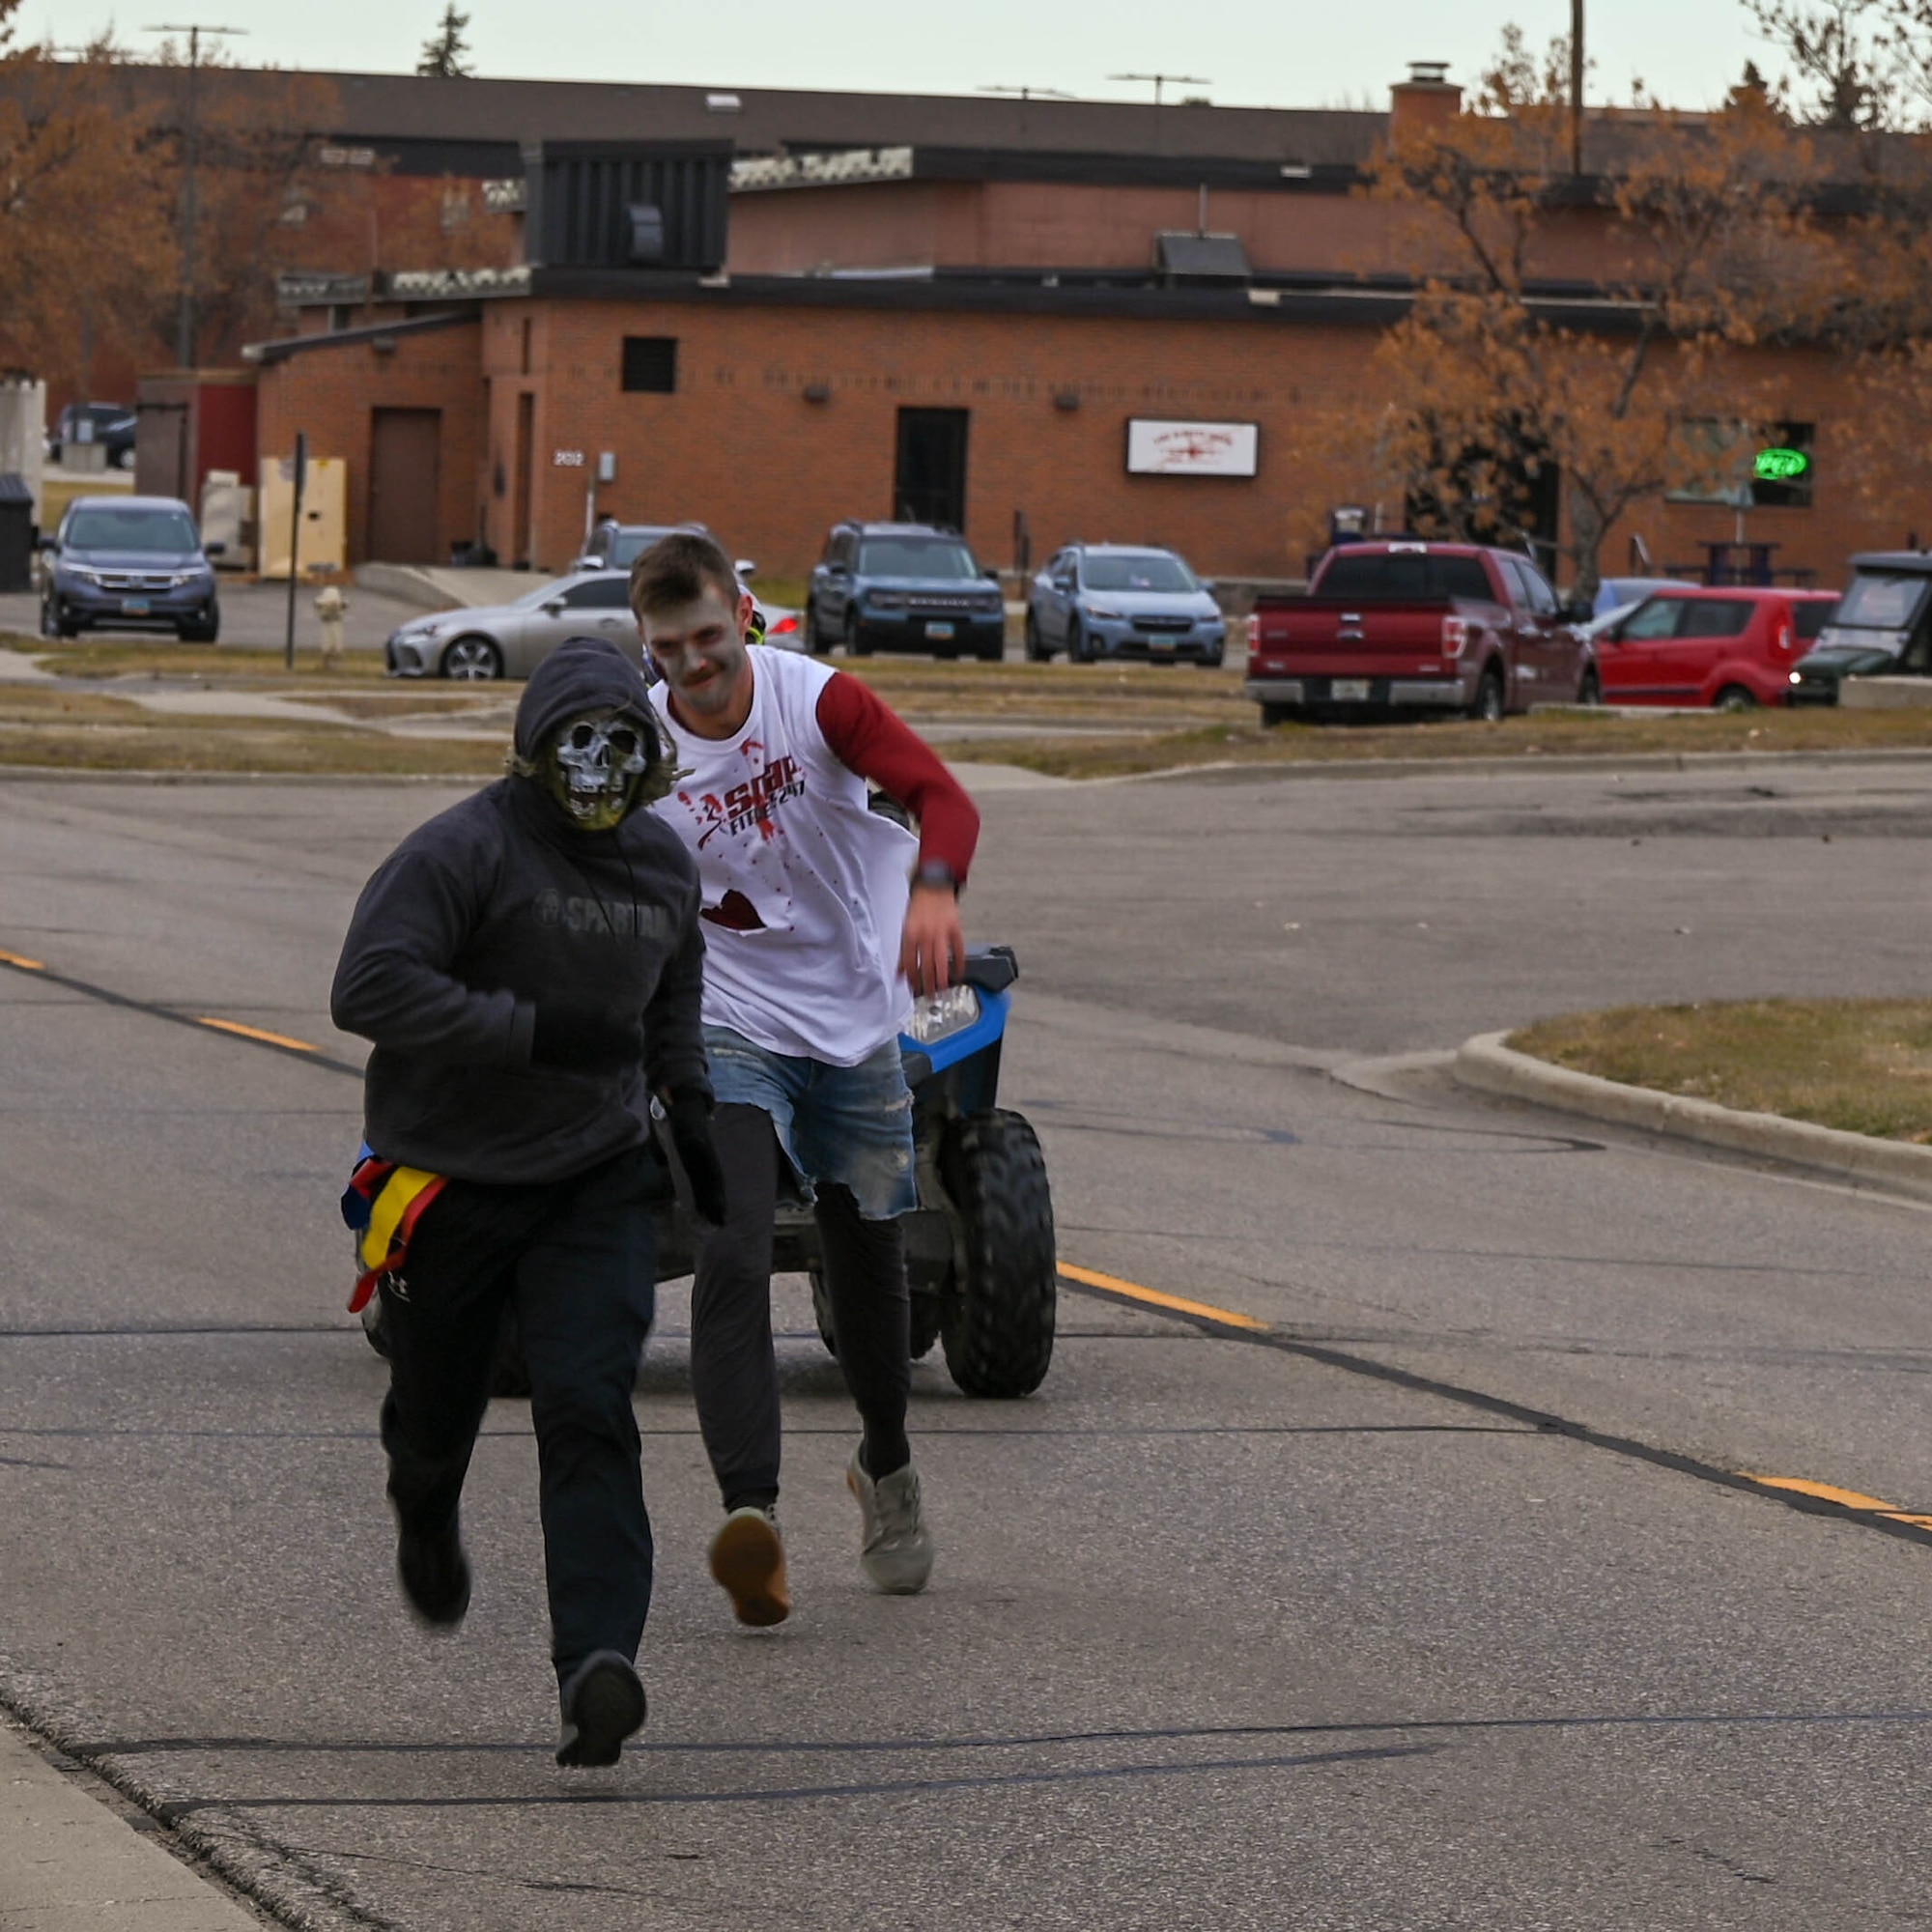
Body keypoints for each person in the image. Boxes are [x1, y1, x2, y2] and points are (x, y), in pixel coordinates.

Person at [329, 636, 726, 1767]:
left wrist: (687, 1101)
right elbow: (365, 984)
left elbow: (672, 994)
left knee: (589, 1404)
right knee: (439, 1403)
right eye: (576, 742)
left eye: (620, 744)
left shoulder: (659, 866)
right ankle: (423, 1500)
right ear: (533, 750)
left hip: (595, 1179)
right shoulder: (463, 848)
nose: (598, 764)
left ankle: (595, 1664)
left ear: (649, 759)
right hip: (447, 1178)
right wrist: (528, 1031)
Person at [630, 529, 980, 1628]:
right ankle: (753, 1518)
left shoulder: (815, 700)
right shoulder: (637, 743)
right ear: (644, 646)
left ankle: (884, 1462)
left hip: (849, 1007)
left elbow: (944, 797)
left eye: (705, 635)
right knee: (730, 1238)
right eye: (667, 646)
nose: (693, 663)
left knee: (864, 1244)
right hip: (726, 1015)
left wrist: (932, 889)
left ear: (743, 609)